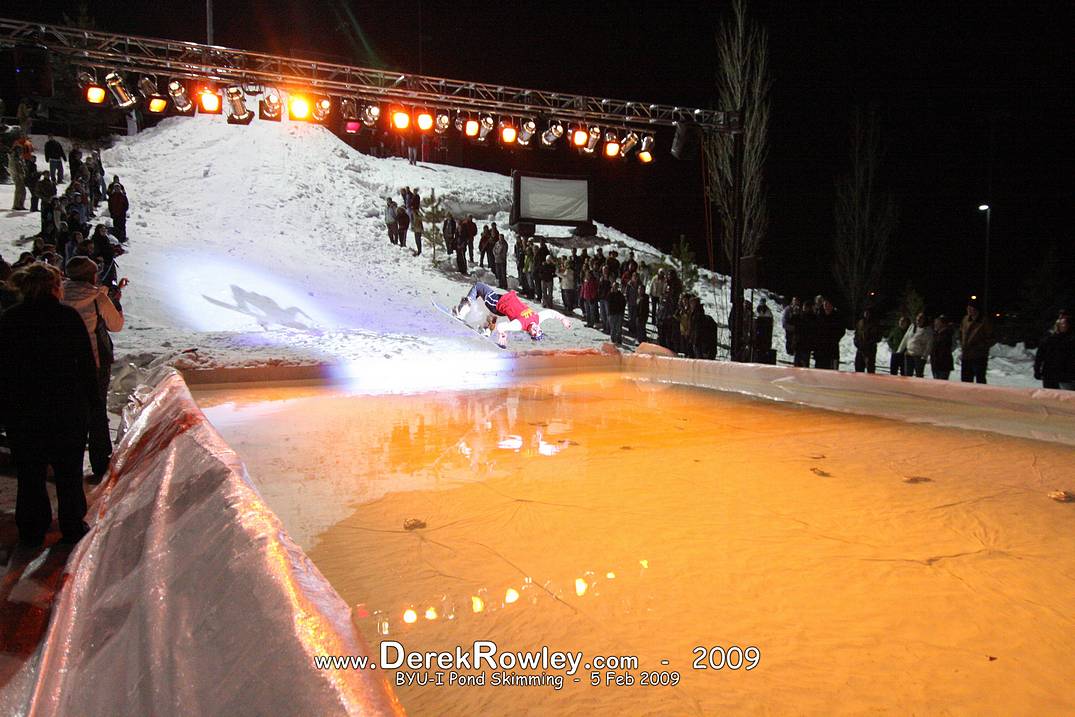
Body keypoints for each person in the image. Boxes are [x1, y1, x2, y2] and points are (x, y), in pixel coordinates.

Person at [0, 263, 100, 546]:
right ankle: (71, 524)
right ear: (55, 287)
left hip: (24, 411)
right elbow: (85, 366)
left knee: (30, 473)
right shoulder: (67, 317)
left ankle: (32, 527)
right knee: (68, 471)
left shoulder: (11, 320)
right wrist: (92, 404)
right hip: (66, 409)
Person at [62, 256, 125, 482]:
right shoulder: (97, 298)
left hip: (66, 364)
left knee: (71, 413)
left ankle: (69, 464)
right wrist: (115, 302)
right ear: (91, 275)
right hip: (95, 362)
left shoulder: (59, 294)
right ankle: (100, 461)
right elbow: (115, 325)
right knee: (97, 410)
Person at [453, 281, 572, 347]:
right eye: (538, 331)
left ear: (530, 333)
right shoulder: (537, 319)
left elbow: (502, 327)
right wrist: (563, 319)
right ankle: (487, 329)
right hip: (502, 302)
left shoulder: (520, 325)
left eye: (533, 333)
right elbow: (551, 313)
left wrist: (502, 334)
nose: (535, 330)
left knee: (478, 286)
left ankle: (462, 311)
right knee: (492, 313)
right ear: (540, 328)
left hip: (497, 303)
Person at [1034, 313, 1074, 390]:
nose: (1063, 326)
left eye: (1066, 324)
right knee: (1051, 398)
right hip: (1050, 374)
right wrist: (1037, 370)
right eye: (1061, 323)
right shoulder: (1049, 338)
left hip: (1068, 376)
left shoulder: (1071, 339)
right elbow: (1040, 355)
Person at [960, 300, 994, 383]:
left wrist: (980, 346)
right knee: (965, 379)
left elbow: (991, 338)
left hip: (979, 355)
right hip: (966, 354)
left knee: (980, 378)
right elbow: (961, 332)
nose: (969, 310)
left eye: (971, 308)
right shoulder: (965, 319)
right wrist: (962, 344)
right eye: (968, 308)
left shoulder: (984, 321)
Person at [898, 312, 933, 377]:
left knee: (918, 375)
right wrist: (900, 350)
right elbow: (905, 338)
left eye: (921, 318)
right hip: (909, 354)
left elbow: (929, 344)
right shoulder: (912, 326)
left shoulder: (928, 330)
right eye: (918, 317)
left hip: (919, 356)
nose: (919, 319)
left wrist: (924, 356)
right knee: (907, 375)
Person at [853, 307, 882, 373]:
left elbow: (878, 337)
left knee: (870, 368)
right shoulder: (860, 323)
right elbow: (856, 335)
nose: (866, 314)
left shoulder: (875, 324)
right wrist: (857, 343)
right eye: (865, 312)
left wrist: (869, 344)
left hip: (870, 350)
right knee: (858, 368)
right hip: (860, 349)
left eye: (868, 313)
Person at [930, 315, 955, 380]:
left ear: (942, 324)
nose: (935, 324)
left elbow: (943, 350)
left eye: (937, 323)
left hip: (943, 364)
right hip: (936, 364)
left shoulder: (946, 334)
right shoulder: (937, 334)